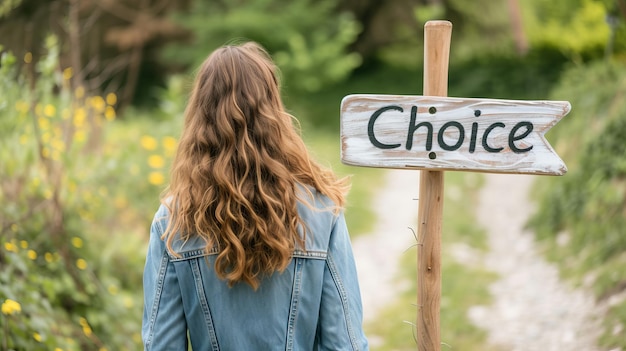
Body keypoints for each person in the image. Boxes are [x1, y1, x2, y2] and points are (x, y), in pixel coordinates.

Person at [142, 42, 369, 350]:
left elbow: (162, 345)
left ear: (200, 115)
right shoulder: (320, 209)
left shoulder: (173, 220)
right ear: (273, 111)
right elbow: (344, 343)